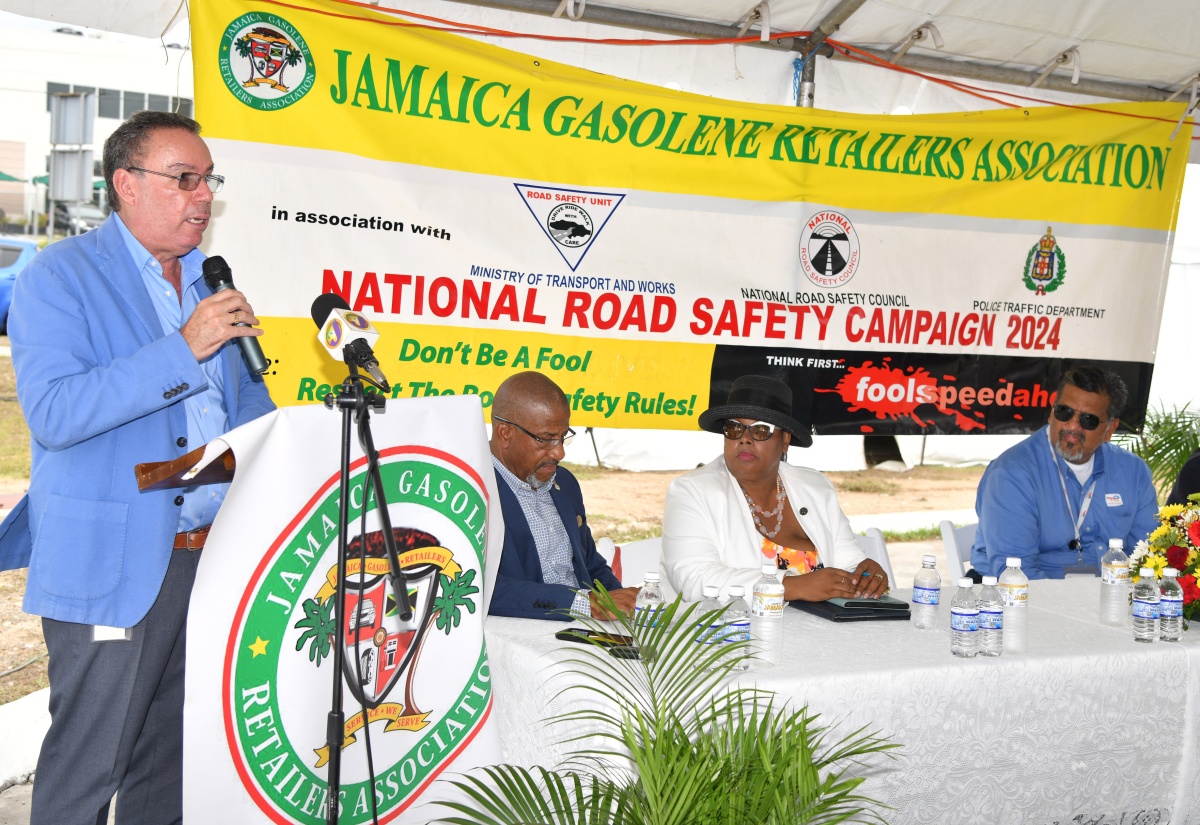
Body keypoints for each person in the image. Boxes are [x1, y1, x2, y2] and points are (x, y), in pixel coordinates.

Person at [0, 110, 275, 825]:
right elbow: (57, 412)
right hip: (110, 563)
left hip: (208, 563)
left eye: (208, 180)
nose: (203, 196)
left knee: (172, 761)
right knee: (89, 763)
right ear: (126, 184)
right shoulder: (58, 276)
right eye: (184, 179)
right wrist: (184, 347)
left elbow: (244, 417)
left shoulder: (209, 285)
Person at [662, 374, 889, 602]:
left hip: (820, 631)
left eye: (760, 430)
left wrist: (866, 574)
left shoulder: (816, 488)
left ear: (785, 440)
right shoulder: (692, 491)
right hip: (733, 632)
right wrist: (790, 587)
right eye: (734, 429)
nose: (744, 439)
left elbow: (847, 562)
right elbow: (694, 578)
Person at [970, 366, 1157, 579]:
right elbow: (1017, 574)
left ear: (1110, 429)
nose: (1072, 426)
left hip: (1109, 594)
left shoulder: (1133, 471)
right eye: (1064, 412)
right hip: (1026, 595)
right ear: (1051, 413)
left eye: (1088, 419)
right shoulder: (1011, 474)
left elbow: (1147, 555)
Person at [488, 371, 641, 620]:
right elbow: (481, 588)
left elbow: (589, 562)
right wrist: (583, 603)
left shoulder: (565, 483)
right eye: (546, 439)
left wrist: (623, 600)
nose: (559, 453)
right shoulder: (472, 490)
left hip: (585, 633)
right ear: (505, 433)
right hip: (519, 636)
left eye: (563, 437)